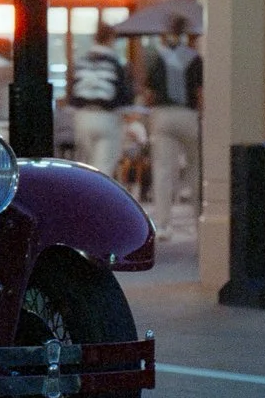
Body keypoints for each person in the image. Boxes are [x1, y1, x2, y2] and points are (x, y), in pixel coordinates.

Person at [142, 13, 203, 240]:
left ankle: (164, 225)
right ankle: (199, 220)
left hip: (163, 115)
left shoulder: (157, 56)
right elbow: (200, 94)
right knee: (196, 168)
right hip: (187, 114)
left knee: (163, 171)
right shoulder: (194, 58)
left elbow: (149, 93)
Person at [66, 22, 131, 177]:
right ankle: (99, 198)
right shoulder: (115, 63)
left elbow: (72, 92)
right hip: (107, 117)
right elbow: (124, 95)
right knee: (104, 165)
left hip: (82, 116)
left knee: (85, 165)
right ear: (110, 39)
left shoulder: (81, 62)